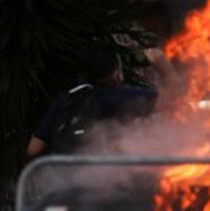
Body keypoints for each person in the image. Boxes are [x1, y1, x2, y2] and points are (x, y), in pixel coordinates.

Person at [27, 42, 164, 159]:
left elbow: (33, 149)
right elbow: (172, 100)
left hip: (61, 184)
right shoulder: (119, 97)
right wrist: (164, 66)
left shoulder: (65, 100)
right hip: (103, 184)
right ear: (115, 74)